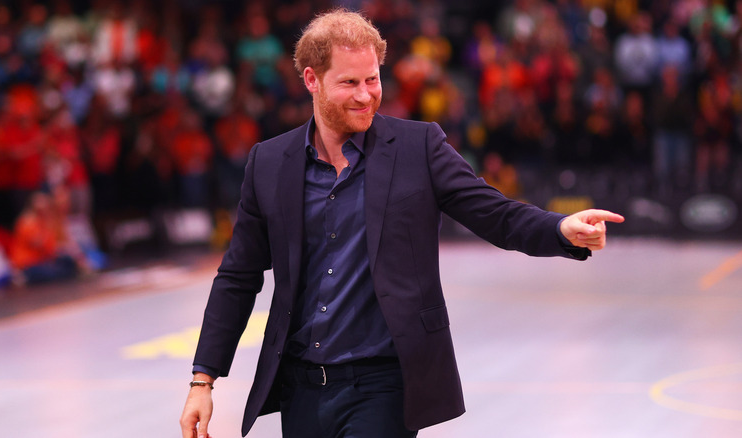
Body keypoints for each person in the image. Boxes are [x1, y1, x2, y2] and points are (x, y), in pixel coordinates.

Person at [180, 9, 625, 438]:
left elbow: (494, 213)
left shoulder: (420, 147)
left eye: (372, 79)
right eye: (349, 82)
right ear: (311, 80)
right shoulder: (269, 162)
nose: (365, 94)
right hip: (300, 388)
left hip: (384, 385)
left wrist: (559, 229)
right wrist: (203, 380)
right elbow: (238, 277)